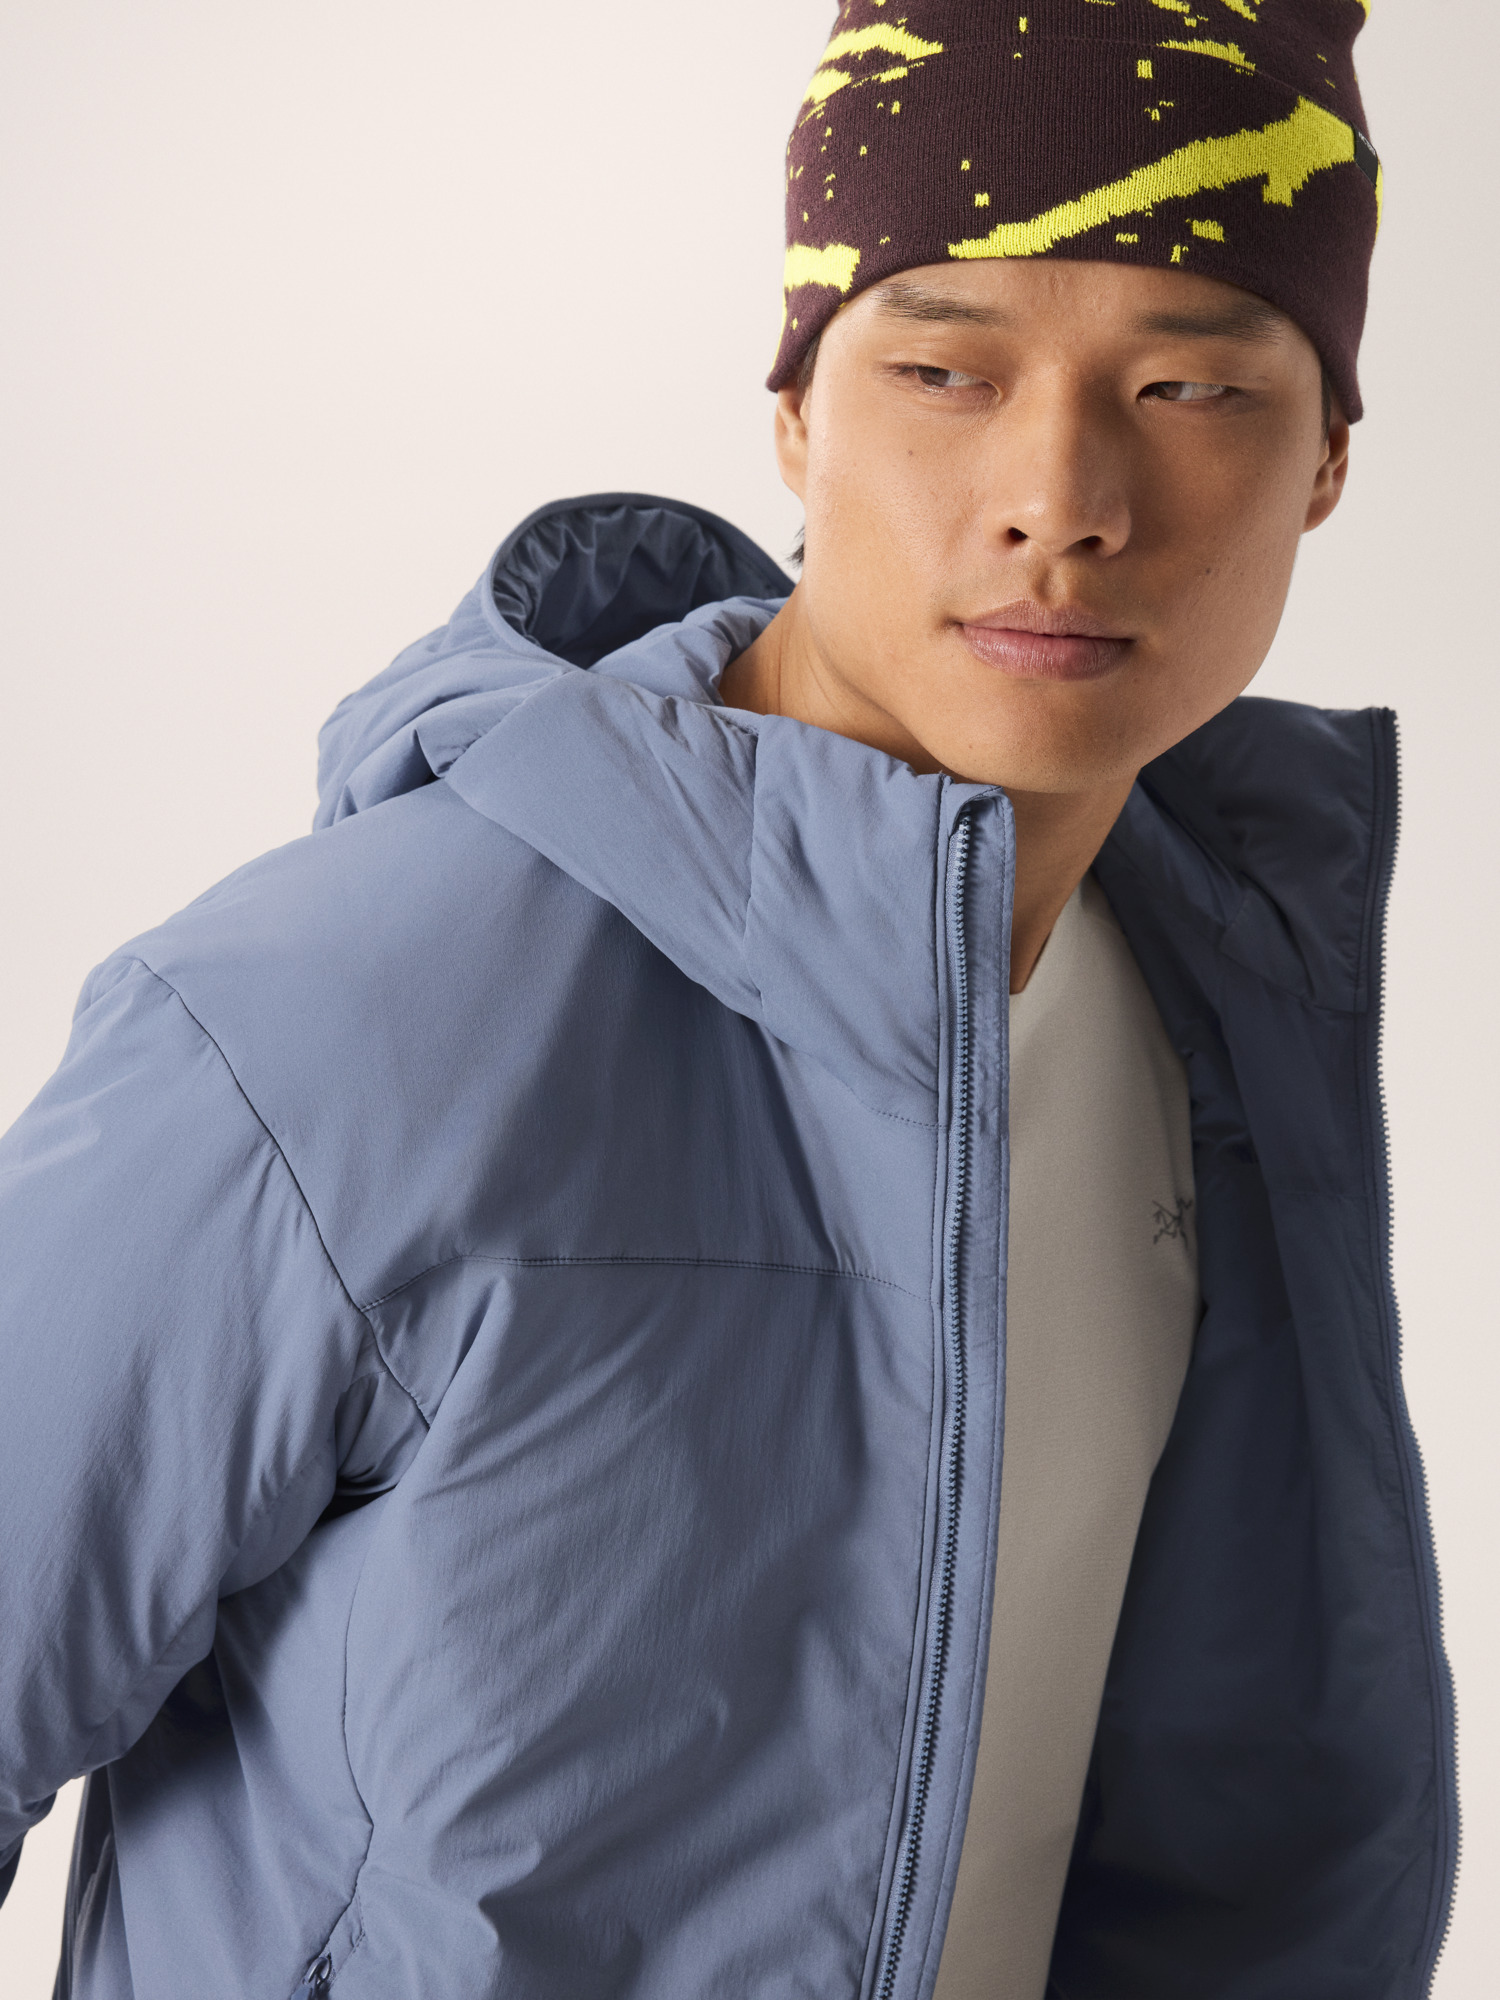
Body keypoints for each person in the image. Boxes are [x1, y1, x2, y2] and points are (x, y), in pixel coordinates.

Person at [0, 3, 1456, 1996]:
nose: (1060, 494)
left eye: (1192, 384)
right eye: (944, 369)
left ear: (1328, 462)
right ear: (794, 416)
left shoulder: (1234, 1015)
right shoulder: (323, 1024)